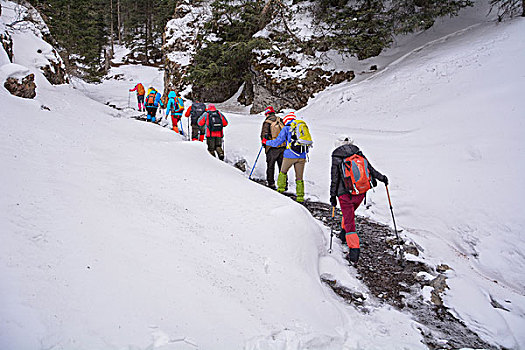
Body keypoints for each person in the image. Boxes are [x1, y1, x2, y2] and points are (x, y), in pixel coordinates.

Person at [329, 136, 388, 266]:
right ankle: (343, 234)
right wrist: (382, 178)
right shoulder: (357, 153)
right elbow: (370, 169)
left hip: (344, 194)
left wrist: (332, 196)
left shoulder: (337, 156)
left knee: (350, 221)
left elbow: (334, 178)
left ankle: (354, 252)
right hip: (360, 191)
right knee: (348, 215)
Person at [262, 112, 308, 202]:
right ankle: (300, 197)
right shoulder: (301, 126)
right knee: (299, 178)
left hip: (289, 155)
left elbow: (277, 142)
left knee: (282, 172)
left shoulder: (286, 128)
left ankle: (280, 190)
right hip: (302, 155)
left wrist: (266, 142)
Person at [260, 106, 285, 189]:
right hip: (282, 147)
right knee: (282, 166)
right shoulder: (280, 120)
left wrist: (264, 144)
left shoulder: (267, 122)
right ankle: (284, 184)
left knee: (270, 166)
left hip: (271, 147)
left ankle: (271, 183)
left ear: (267, 113)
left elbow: (264, 135)